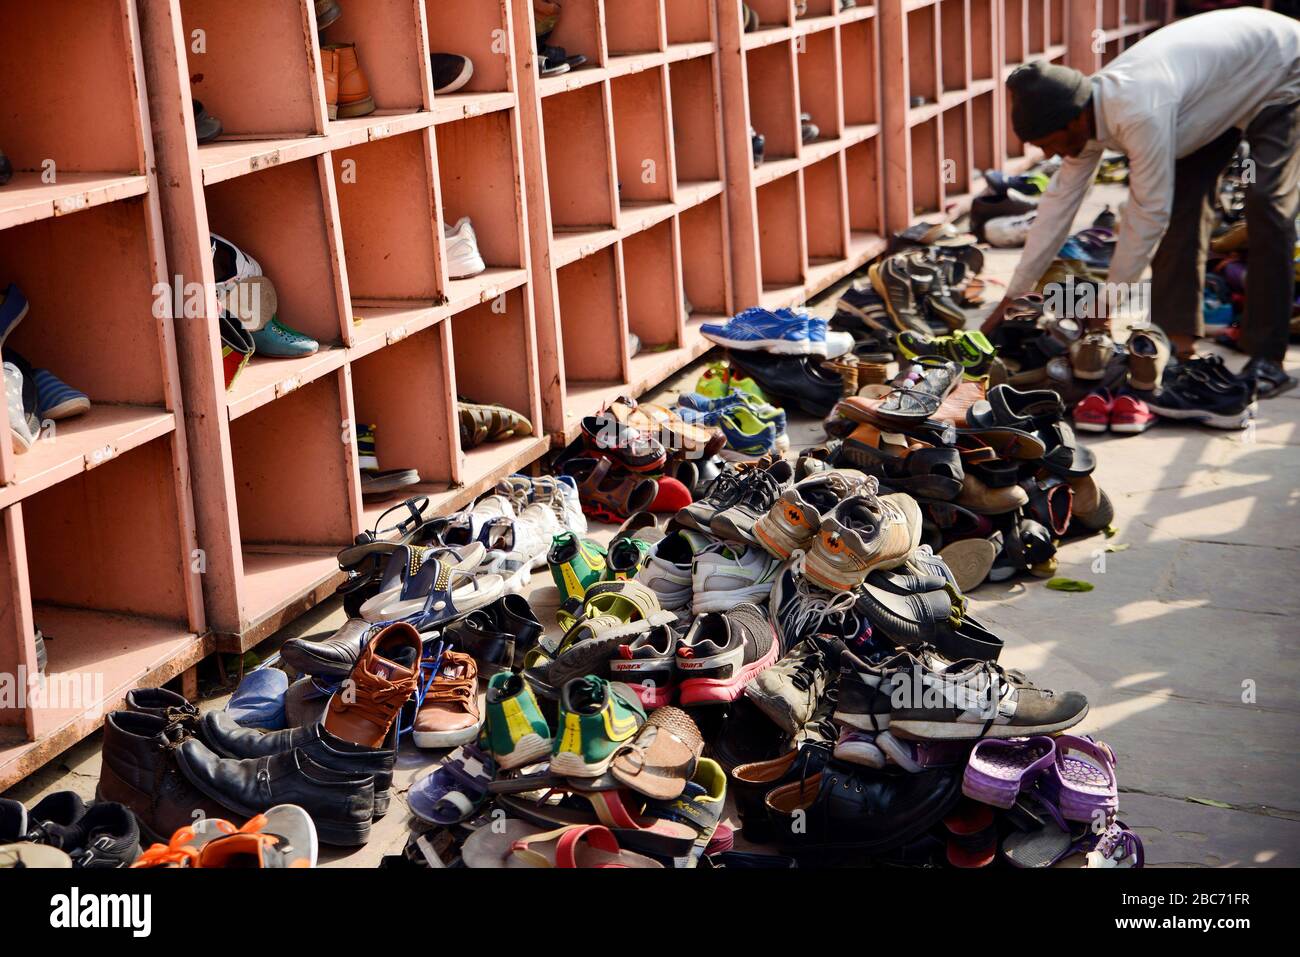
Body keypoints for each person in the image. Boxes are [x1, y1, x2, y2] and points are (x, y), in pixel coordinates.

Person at [982, 7, 1300, 399]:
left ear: (1071, 122)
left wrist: (1108, 301)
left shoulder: (1137, 110)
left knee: (1267, 204)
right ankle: (1177, 343)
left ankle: (1266, 355)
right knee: (1185, 206)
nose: (1049, 152)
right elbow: (1057, 206)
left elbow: (1148, 212)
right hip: (1214, 94)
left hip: (1282, 68)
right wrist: (1013, 295)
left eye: (1046, 143)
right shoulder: (1083, 114)